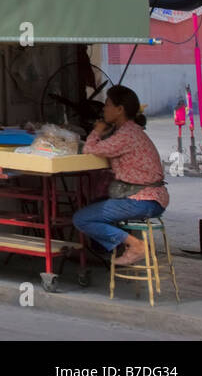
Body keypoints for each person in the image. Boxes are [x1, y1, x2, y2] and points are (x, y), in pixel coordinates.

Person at [71, 85, 168, 266]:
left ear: (120, 110)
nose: (104, 109)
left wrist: (98, 130)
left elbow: (89, 149)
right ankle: (121, 246)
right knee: (93, 207)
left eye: (107, 105)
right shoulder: (130, 131)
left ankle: (135, 245)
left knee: (81, 218)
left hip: (143, 200)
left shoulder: (126, 134)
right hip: (148, 197)